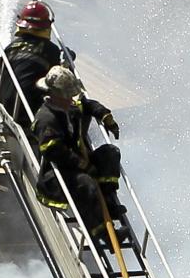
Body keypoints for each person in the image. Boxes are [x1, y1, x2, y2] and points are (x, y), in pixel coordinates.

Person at [32, 66, 127, 243]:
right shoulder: (46, 119)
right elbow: (54, 151)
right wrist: (83, 165)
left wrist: (105, 116)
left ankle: (108, 201)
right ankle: (104, 234)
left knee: (110, 153)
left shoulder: (69, 106)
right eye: (67, 95)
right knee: (86, 183)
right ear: (55, 95)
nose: (71, 98)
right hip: (57, 174)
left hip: (79, 164)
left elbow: (89, 104)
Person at [0, 0, 71, 126]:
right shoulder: (51, 50)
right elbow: (57, 79)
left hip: (4, 105)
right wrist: (67, 63)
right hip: (29, 112)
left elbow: (0, 70)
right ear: (46, 26)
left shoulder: (10, 47)